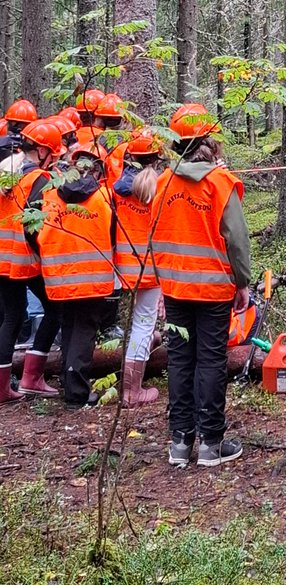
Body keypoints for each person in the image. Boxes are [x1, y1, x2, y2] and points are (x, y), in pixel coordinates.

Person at [150, 104, 251, 468]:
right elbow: (237, 240)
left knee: (180, 361)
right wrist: (242, 283)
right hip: (213, 290)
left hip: (175, 288)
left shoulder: (162, 183)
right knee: (210, 360)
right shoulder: (221, 184)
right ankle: (210, 443)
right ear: (210, 141)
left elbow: (155, 237)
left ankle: (179, 443)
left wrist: (162, 283)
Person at [37, 144, 117, 409]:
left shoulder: (50, 194)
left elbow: (32, 230)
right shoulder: (104, 197)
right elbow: (115, 235)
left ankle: (69, 382)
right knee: (84, 332)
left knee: (69, 327)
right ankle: (77, 393)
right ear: (98, 168)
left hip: (58, 277)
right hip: (93, 278)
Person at [0, 121, 64, 402]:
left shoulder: (6, 170)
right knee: (54, 309)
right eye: (54, 154)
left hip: (3, 256)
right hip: (22, 257)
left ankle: (5, 386)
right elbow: (35, 224)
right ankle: (31, 377)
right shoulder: (38, 178)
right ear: (41, 151)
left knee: (11, 315)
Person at [112, 128, 167, 406]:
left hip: (122, 267)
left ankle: (127, 383)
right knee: (143, 326)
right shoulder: (158, 188)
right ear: (156, 157)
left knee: (134, 326)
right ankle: (132, 391)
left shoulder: (116, 188)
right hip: (149, 267)